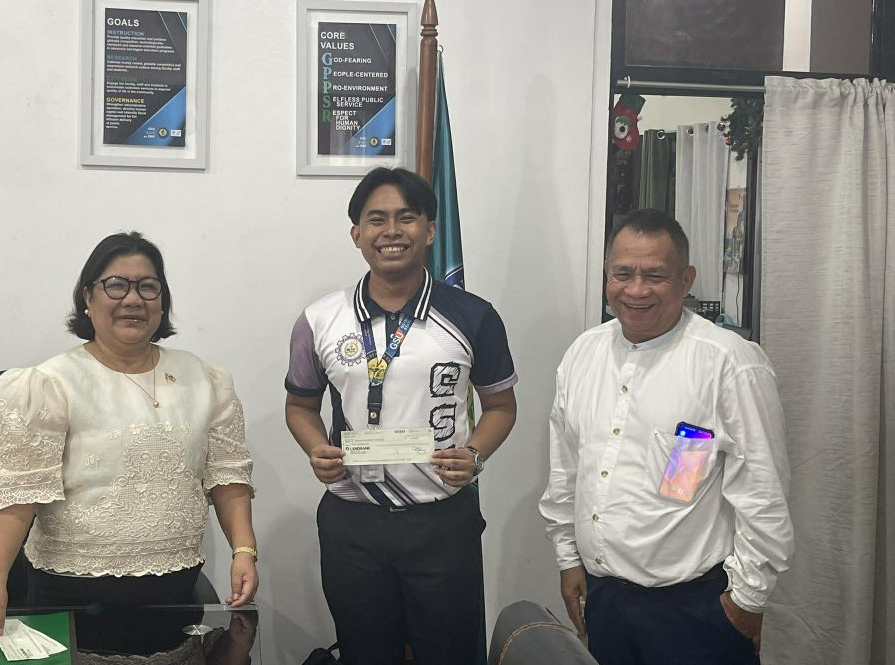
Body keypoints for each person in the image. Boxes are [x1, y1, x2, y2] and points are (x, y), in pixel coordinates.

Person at [0, 232, 257, 641]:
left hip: (175, 593)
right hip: (71, 596)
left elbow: (228, 474)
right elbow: (18, 494)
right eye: (116, 285)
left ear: (162, 300)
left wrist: (243, 551)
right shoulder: (50, 383)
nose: (133, 299)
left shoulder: (204, 379)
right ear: (88, 298)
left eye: (148, 287)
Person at [284, 167, 518, 665]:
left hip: (441, 521)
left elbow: (500, 406)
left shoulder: (474, 316)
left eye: (406, 218)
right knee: (364, 653)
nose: (391, 231)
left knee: (449, 653)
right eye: (377, 219)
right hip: (352, 521)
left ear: (430, 230)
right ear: (357, 234)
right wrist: (316, 448)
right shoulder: (319, 320)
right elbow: (300, 405)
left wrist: (475, 454)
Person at [539, 209, 794, 665]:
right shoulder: (583, 353)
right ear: (606, 273)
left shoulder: (729, 363)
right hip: (605, 598)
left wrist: (747, 600)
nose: (636, 290)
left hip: (696, 609)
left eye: (654, 276)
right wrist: (568, 557)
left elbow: (764, 493)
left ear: (685, 280)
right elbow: (566, 470)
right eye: (623, 273)